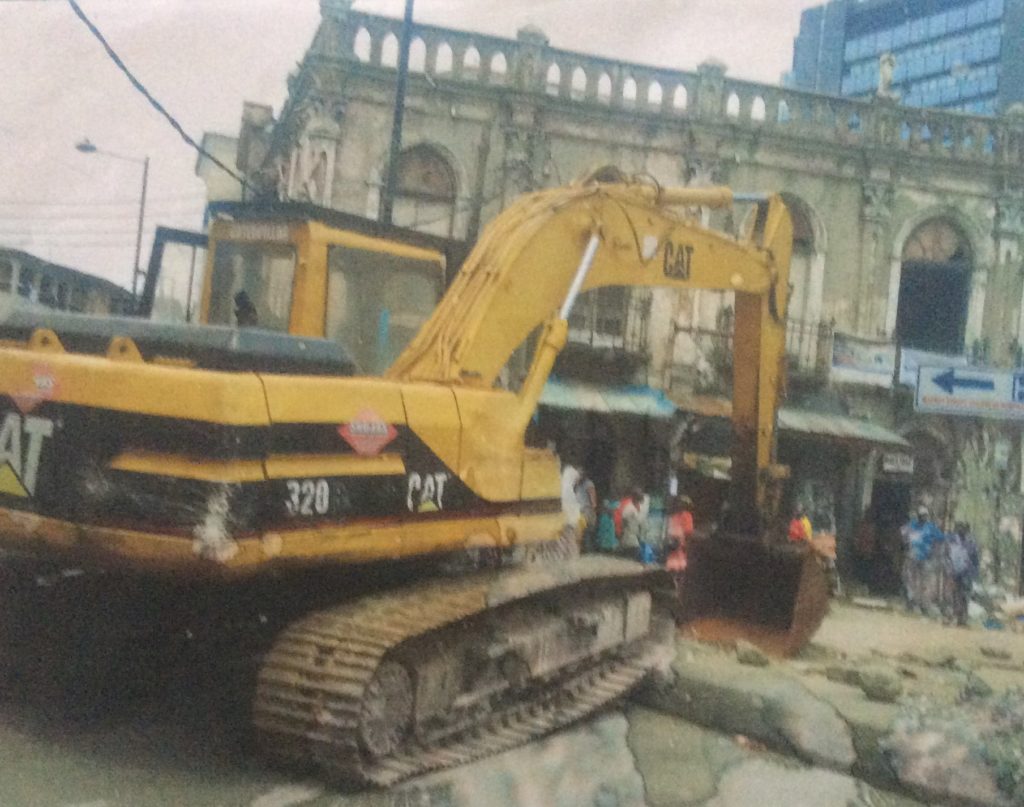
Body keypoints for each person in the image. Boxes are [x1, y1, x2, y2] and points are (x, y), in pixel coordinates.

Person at [901, 505, 945, 614]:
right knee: (911, 580)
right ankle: (912, 603)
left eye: (925, 516)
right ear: (918, 516)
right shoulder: (912, 526)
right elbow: (902, 534)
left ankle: (923, 605)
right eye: (922, 516)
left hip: (926, 558)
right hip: (912, 557)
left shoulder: (930, 527)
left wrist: (934, 551)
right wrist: (907, 545)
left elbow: (940, 538)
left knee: (924, 582)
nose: (923, 518)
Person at [946, 521, 980, 626]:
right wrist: (948, 569)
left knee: (964, 595)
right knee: (955, 595)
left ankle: (963, 619)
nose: (962, 530)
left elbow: (975, 559)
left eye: (964, 529)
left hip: (966, 573)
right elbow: (946, 556)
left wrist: (974, 572)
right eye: (960, 528)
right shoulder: (951, 541)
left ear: (967, 531)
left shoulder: (971, 543)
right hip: (954, 571)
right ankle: (956, 616)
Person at [665, 495, 694, 580]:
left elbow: (688, 532)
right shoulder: (675, 516)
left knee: (678, 569)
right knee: (675, 568)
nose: (679, 505)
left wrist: (686, 545)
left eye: (682, 503)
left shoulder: (686, 516)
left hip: (679, 546)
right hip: (674, 546)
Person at [618, 487, 651, 561]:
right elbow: (625, 522)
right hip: (630, 538)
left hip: (636, 537)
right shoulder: (629, 508)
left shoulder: (638, 507)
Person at [575, 470, 598, 552]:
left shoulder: (588, 484)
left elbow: (592, 495)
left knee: (588, 529)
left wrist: (593, 506)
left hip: (586, 509)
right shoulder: (578, 484)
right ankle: (583, 548)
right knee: (581, 529)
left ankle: (589, 548)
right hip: (579, 509)